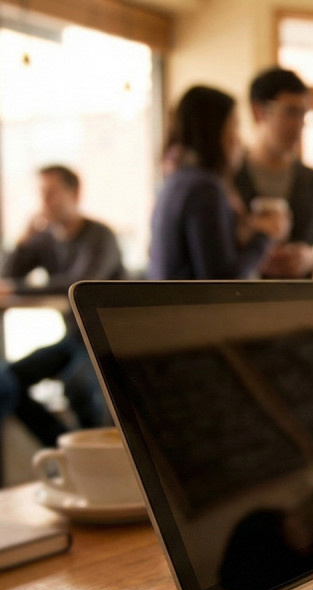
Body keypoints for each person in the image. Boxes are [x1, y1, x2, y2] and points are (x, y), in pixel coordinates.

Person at [1, 165, 126, 446]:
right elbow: (7, 276)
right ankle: (64, 444)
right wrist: (24, 239)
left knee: (78, 386)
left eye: (52, 193)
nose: (45, 202)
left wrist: (18, 287)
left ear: (75, 194)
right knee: (6, 380)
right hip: (74, 337)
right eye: (41, 194)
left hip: (106, 338)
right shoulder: (45, 240)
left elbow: (79, 283)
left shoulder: (100, 236)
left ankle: (94, 458)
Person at [148, 85, 282, 280]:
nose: (239, 140)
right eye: (234, 127)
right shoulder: (205, 188)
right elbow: (222, 281)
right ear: (213, 132)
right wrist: (265, 235)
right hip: (190, 310)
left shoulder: (175, 181)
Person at [234, 67, 313, 279]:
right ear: (259, 112)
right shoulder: (230, 178)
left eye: (304, 114)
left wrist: (311, 258)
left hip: (299, 307)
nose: (299, 124)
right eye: (291, 112)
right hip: (237, 306)